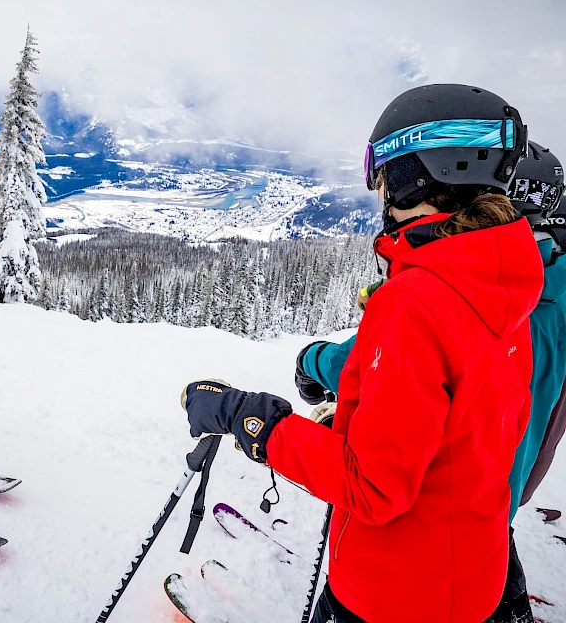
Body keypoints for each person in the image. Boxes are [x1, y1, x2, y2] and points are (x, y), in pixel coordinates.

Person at [181, 84, 542, 623]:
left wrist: (252, 419)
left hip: (393, 593)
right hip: (471, 580)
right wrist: (358, 426)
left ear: (416, 172)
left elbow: (372, 489)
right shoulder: (504, 287)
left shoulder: (413, 303)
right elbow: (471, 434)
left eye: (382, 173)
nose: (380, 193)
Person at [296, 142, 566, 623]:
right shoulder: (524, 291)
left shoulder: (479, 302)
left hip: (422, 545)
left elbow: (374, 483)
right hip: (490, 511)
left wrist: (304, 372)